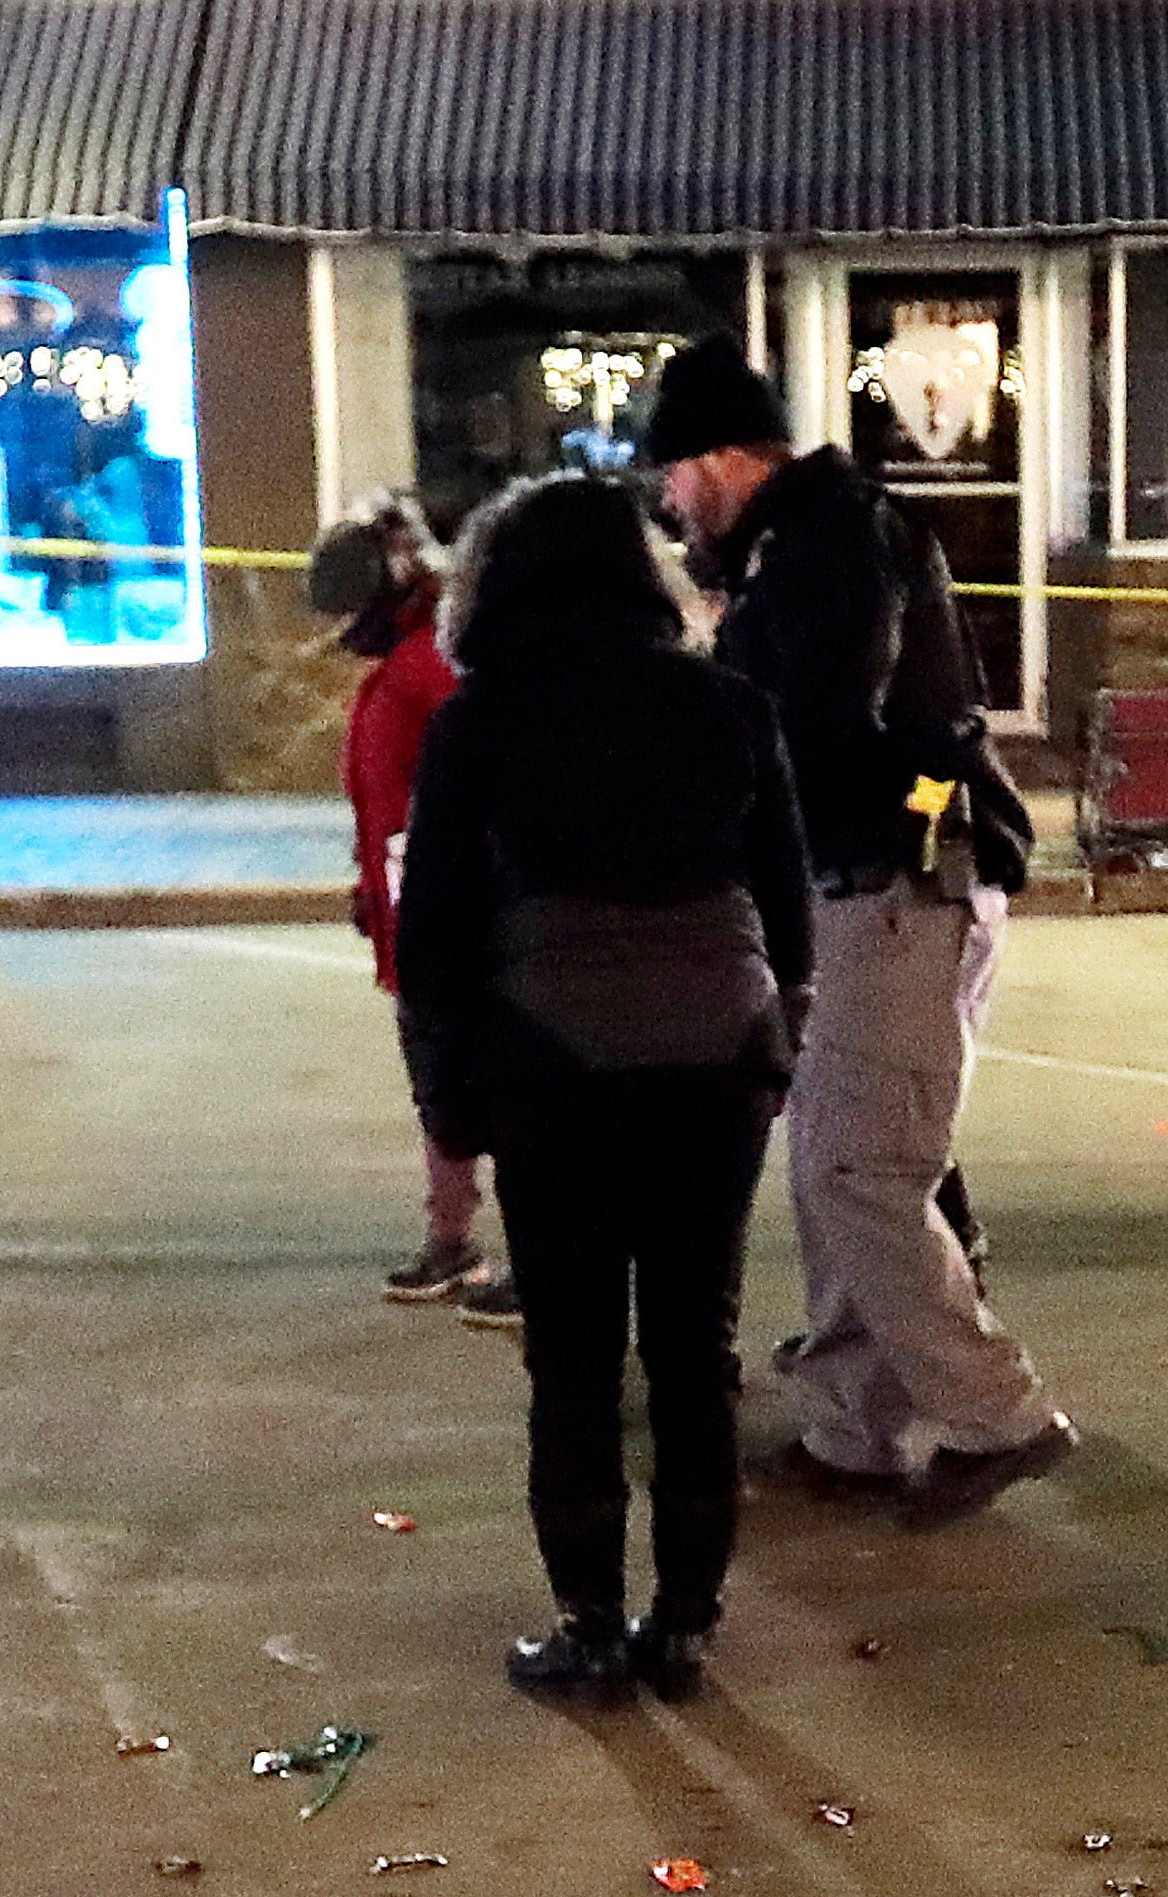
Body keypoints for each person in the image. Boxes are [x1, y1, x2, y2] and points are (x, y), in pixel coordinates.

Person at [391, 476, 814, 1699]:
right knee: (696, 1347)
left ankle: (588, 1624)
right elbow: (787, 906)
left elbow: (439, 938)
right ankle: (686, 1621)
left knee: (573, 1357)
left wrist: (450, 1102)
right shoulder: (728, 705)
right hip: (713, 1057)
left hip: (551, 1056)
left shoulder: (482, 722)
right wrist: (775, 1038)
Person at [638, 342, 1067, 1503]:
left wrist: (716, 725)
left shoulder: (825, 537)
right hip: (871, 883)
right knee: (838, 1161)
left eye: (673, 475)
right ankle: (854, 1427)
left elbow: (812, 721)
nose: (671, 504)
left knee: (860, 1170)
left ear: (726, 457)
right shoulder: (812, 534)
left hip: (899, 882)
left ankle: (998, 1414)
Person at [312, 504, 505, 1320]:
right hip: (418, 916)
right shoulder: (406, 668)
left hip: (450, 921)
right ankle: (451, 1241)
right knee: (443, 1090)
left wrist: (412, 909)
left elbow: (436, 809)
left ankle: (506, 1250)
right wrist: (373, 895)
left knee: (483, 1089)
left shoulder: (428, 670)